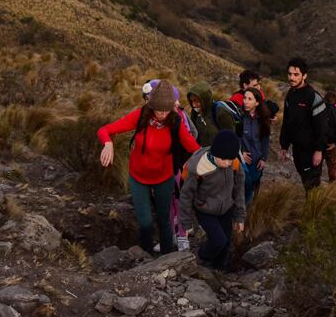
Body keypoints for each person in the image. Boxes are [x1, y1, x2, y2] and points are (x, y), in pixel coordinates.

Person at [98, 81, 200, 254]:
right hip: (138, 177)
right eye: (158, 109)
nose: (161, 114)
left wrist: (208, 161)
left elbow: (194, 147)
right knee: (145, 222)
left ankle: (167, 255)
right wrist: (108, 143)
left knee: (163, 220)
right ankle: (144, 253)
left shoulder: (175, 121)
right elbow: (105, 130)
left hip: (164, 178)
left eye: (165, 110)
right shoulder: (141, 115)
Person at [178, 130, 247, 270]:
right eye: (224, 159)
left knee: (226, 242)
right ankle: (202, 257)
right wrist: (185, 223)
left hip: (226, 208)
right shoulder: (199, 168)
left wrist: (240, 217)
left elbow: (239, 190)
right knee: (218, 240)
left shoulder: (234, 163)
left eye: (230, 159)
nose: (228, 163)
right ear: (215, 153)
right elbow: (186, 195)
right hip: (205, 209)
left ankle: (219, 269)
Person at [279, 58, 328, 191]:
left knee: (311, 185)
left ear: (304, 76)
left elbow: (322, 127)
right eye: (289, 74)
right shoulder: (290, 95)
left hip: (311, 151)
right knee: (305, 181)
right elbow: (287, 121)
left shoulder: (313, 97)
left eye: (296, 74)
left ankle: (315, 210)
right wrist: (284, 145)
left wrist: (318, 150)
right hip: (297, 149)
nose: (292, 78)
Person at [239, 87, 272, 204]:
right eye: (244, 98)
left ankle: (249, 211)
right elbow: (237, 138)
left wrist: (263, 159)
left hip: (257, 161)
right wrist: (241, 153)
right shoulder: (240, 118)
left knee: (253, 185)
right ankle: (241, 213)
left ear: (257, 102)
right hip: (243, 160)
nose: (245, 101)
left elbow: (265, 140)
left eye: (249, 99)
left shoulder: (263, 120)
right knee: (244, 185)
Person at [322, 91, 336, 181]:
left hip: (320, 144)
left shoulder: (320, 109)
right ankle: (334, 189)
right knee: (333, 169)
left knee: (315, 169)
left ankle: (314, 190)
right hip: (332, 145)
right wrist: (335, 142)